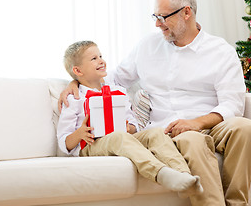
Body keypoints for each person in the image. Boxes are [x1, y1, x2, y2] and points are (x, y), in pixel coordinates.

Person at [59, 0, 251, 206]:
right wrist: (74, 81)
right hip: (169, 129)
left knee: (245, 127)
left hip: (209, 121)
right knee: (192, 139)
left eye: (163, 17)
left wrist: (197, 122)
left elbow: (232, 104)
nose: (157, 24)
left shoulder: (220, 51)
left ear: (186, 12)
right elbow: (111, 78)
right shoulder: (148, 46)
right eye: (155, 16)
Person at [57, 40, 203, 198]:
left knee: (155, 133)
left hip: (121, 137)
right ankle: (161, 173)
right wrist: (79, 134)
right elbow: (63, 141)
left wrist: (130, 128)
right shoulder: (74, 98)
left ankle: (183, 176)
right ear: (78, 70)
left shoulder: (117, 91)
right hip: (91, 146)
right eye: (94, 59)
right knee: (118, 137)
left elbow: (133, 123)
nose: (101, 60)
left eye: (100, 56)